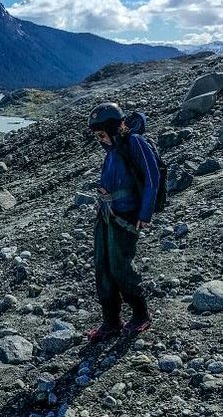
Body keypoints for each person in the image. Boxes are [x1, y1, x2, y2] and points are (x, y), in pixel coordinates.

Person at [87, 102, 158, 342]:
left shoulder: (135, 143)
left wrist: (144, 214)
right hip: (107, 215)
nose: (100, 140)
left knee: (120, 265)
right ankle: (111, 320)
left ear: (113, 129)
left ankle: (140, 314)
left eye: (102, 134)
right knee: (102, 265)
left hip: (126, 217)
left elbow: (152, 177)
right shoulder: (112, 151)